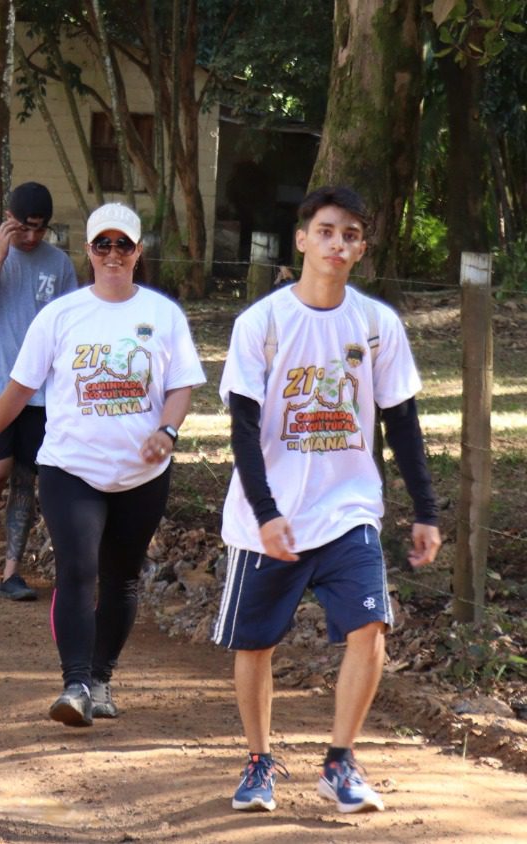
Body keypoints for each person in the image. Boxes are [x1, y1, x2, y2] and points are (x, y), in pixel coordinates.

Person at [216, 186, 441, 814]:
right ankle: (260, 761)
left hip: (349, 508)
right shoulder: (260, 324)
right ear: (303, 238)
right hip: (270, 517)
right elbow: (240, 428)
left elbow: (401, 421)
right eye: (326, 231)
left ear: (361, 248)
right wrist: (265, 514)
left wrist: (425, 510)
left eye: (350, 234)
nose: (337, 243)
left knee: (371, 629)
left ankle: (340, 763)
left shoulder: (375, 324)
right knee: (255, 644)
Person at [0, 202, 205, 728]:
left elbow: (181, 385)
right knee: (79, 571)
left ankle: (102, 677)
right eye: (102, 244)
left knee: (121, 580)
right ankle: (74, 686)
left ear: (139, 252)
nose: (113, 254)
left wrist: (167, 431)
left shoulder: (162, 316)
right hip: (71, 468)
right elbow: (20, 387)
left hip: (143, 474)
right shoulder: (61, 316)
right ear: (88, 251)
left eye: (123, 245)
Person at [0, 182, 78, 601]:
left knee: (28, 477)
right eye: (24, 227)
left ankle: (11, 571)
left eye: (40, 230)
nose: (32, 237)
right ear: (8, 218)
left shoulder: (59, 265)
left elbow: (69, 329)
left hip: (42, 391)